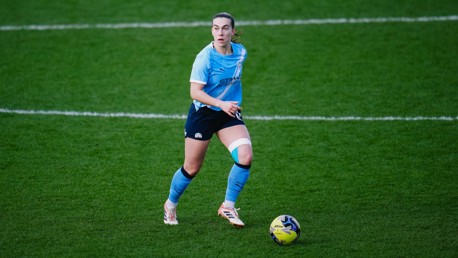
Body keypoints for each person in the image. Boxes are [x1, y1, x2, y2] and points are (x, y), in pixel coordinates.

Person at [163, 12, 252, 228]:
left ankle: (228, 206)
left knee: (245, 156)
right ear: (211, 30)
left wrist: (226, 105)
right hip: (203, 115)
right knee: (191, 168)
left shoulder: (240, 53)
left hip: (227, 114)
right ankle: (170, 204)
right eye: (215, 28)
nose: (220, 32)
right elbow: (195, 92)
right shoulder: (205, 58)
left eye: (224, 28)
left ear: (233, 31)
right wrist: (221, 103)